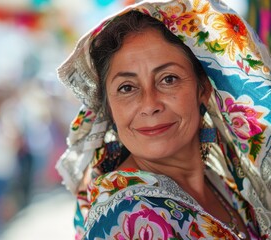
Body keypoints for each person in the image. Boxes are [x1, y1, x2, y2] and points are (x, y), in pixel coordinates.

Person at [56, 0, 271, 239]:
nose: (150, 105)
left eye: (168, 79)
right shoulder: (129, 217)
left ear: (203, 88)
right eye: (127, 87)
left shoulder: (220, 184)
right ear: (109, 107)